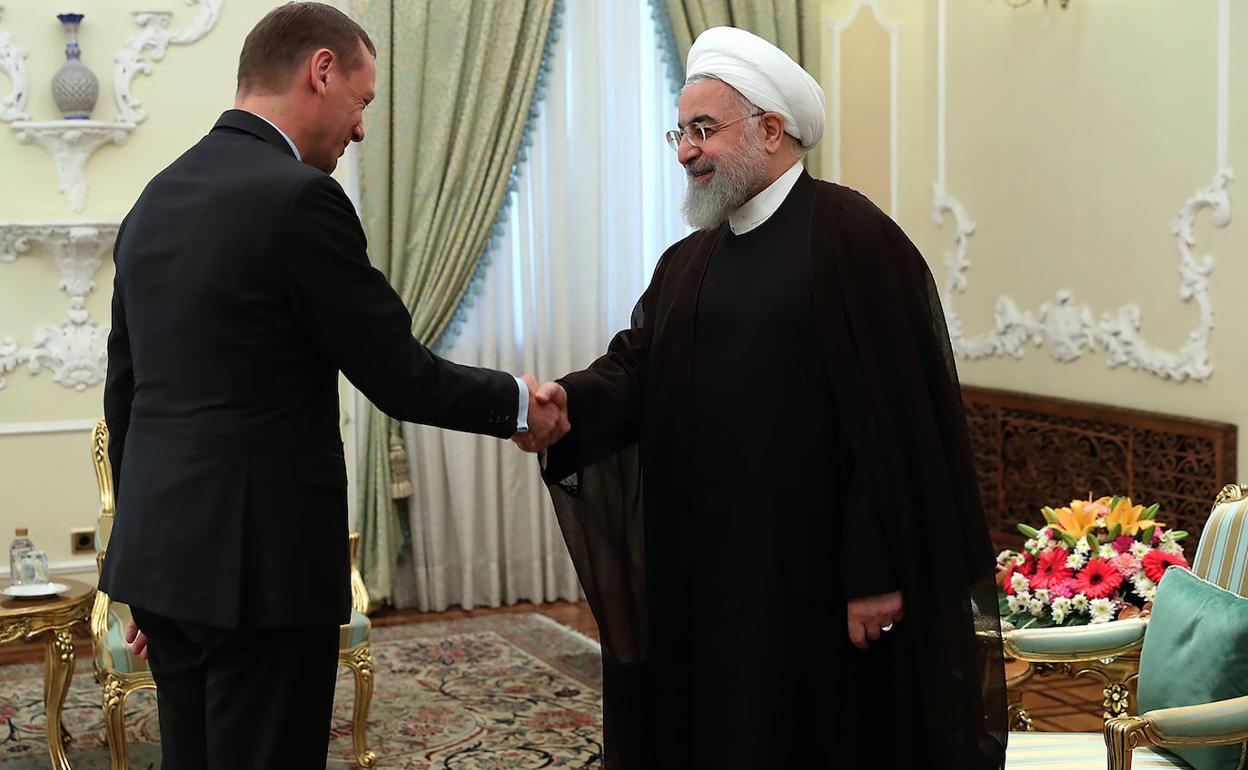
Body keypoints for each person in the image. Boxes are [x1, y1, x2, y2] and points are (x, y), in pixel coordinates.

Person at [515, 26, 1006, 770]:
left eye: (704, 130)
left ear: (771, 131)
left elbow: (895, 425)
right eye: (680, 132)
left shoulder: (854, 240)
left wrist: (876, 575)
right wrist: (565, 403)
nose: (685, 151)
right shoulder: (689, 259)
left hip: (815, 580)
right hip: (704, 569)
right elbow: (635, 370)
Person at [101, 4, 568, 768]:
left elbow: (128, 393)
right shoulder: (298, 199)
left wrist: (151, 568)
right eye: (364, 100)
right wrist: (518, 402)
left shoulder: (153, 200)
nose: (359, 129)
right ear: (321, 71)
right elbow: (399, 375)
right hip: (264, 574)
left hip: (167, 569)